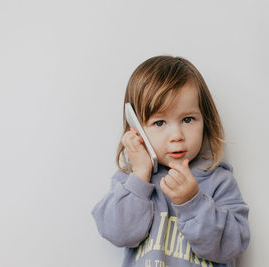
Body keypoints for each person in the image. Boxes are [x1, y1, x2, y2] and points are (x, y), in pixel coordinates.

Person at [91, 56, 250, 267]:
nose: (176, 135)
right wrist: (140, 176)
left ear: (205, 121)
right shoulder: (129, 181)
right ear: (137, 129)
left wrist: (192, 202)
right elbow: (117, 233)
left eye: (187, 119)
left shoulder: (219, 181)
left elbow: (233, 244)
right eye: (159, 122)